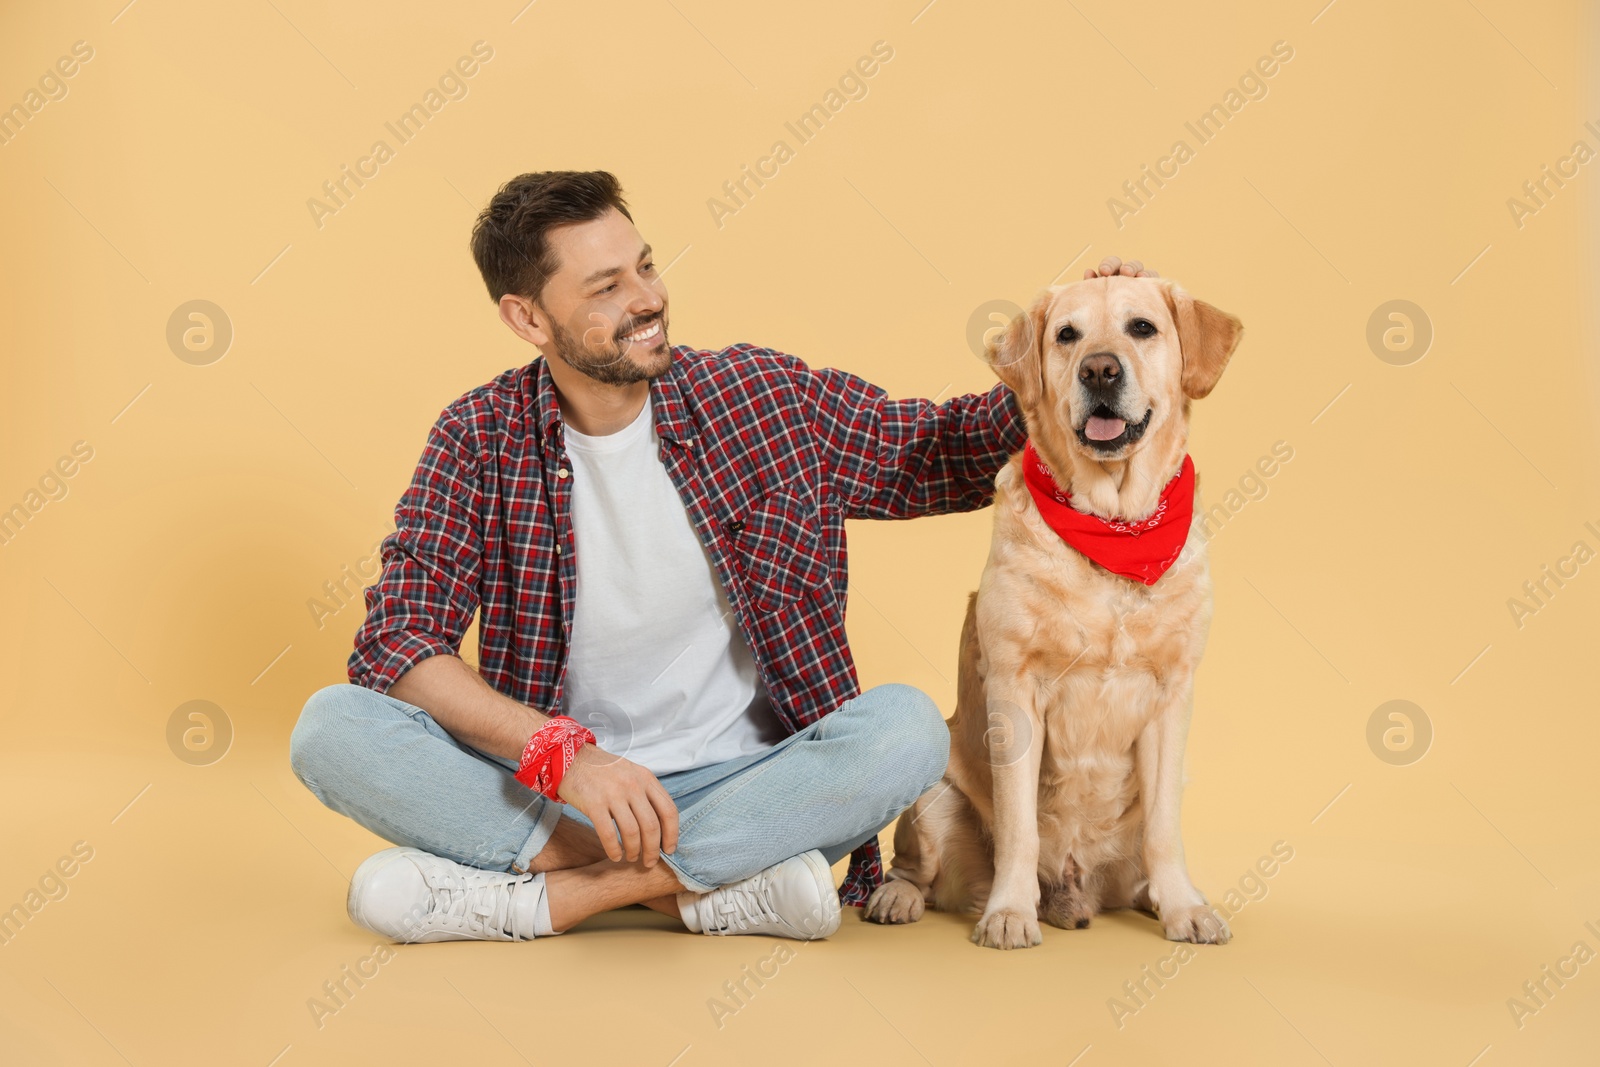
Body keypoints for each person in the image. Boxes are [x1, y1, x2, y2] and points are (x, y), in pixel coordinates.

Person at [288, 168, 1156, 943]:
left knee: (904, 733)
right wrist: (570, 759)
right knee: (330, 727)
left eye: (646, 265)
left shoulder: (759, 398)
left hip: (750, 782)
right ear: (526, 317)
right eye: (605, 286)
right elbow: (398, 643)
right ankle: (703, 888)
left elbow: (937, 451)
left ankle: (546, 898)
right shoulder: (476, 438)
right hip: (561, 789)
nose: (646, 298)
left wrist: (1084, 345)